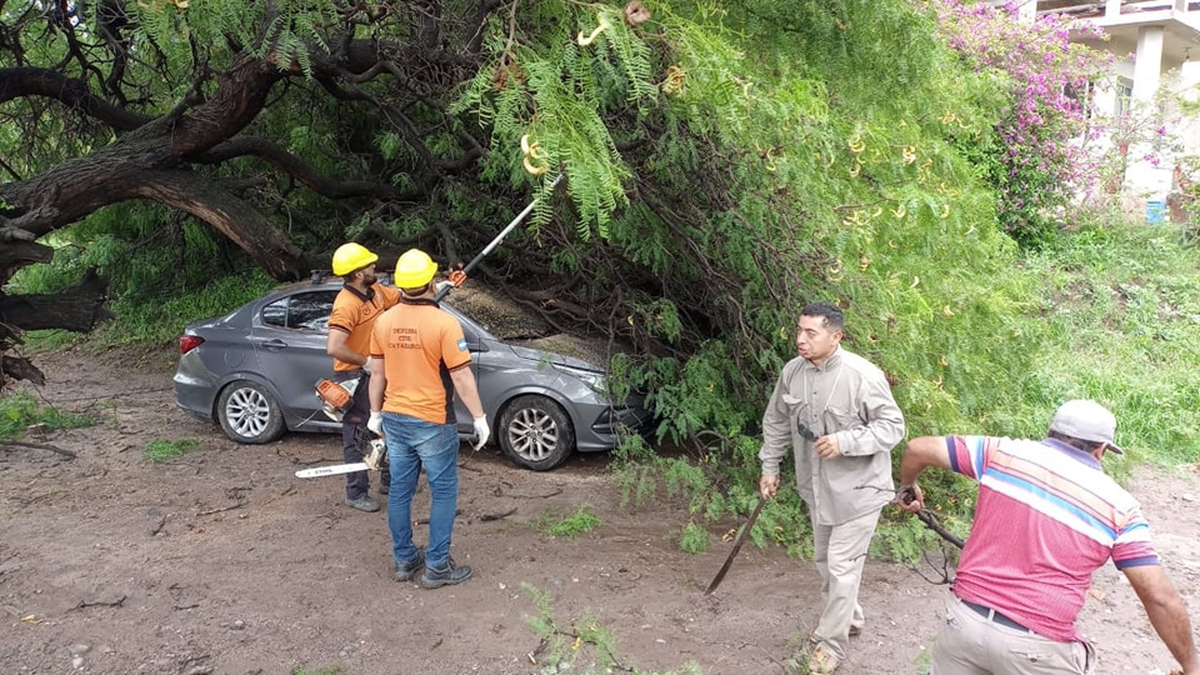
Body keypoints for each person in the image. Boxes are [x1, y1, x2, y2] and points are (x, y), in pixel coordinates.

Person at [897, 399, 1200, 675]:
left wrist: (908, 488)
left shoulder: (999, 452)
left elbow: (918, 448)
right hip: (1037, 647)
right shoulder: (1119, 507)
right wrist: (1190, 666)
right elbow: (1158, 597)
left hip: (963, 624)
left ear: (1050, 431)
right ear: (1102, 449)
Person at [758, 301, 905, 674]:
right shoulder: (792, 373)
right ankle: (849, 619)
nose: (801, 340)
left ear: (835, 336)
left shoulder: (862, 375)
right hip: (816, 488)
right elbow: (776, 421)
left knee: (840, 565)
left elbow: (893, 427)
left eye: (811, 333)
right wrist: (770, 467)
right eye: (798, 331)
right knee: (825, 563)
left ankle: (829, 646)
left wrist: (845, 442)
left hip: (860, 491)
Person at [367, 248, 490, 589]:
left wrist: (375, 414)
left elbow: (377, 375)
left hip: (395, 418)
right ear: (431, 282)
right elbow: (462, 377)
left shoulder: (385, 321)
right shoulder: (444, 323)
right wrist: (479, 418)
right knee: (444, 491)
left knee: (400, 492)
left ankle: (405, 560)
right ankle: (437, 566)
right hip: (434, 421)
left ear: (403, 286)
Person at [325, 242, 400, 513]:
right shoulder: (346, 305)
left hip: (376, 371)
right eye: (369, 265)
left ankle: (389, 480)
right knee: (357, 434)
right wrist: (364, 361)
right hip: (354, 376)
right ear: (357, 273)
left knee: (388, 425)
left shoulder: (375, 291)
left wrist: (435, 288)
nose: (374, 267)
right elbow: (334, 346)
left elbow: (403, 298)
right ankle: (355, 492)